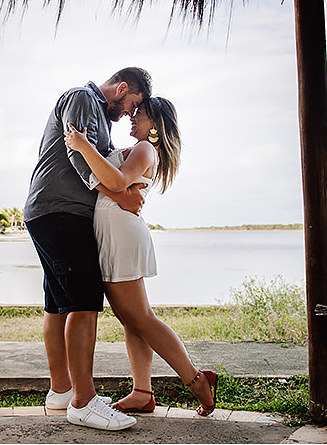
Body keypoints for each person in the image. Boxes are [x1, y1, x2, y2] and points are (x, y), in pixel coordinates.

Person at [64, 96, 218, 417]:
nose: (132, 118)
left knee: (141, 319)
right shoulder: (141, 149)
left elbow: (118, 180)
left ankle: (197, 381)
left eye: (140, 115)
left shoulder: (146, 149)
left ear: (156, 127)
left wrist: (81, 145)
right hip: (116, 230)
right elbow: (115, 185)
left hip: (121, 233)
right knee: (132, 320)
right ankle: (142, 392)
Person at [23, 67, 152, 431]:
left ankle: (62, 392)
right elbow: (81, 157)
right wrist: (120, 196)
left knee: (58, 304)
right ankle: (83, 402)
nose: (129, 113)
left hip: (52, 211)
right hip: (61, 211)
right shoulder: (82, 98)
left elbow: (101, 158)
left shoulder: (97, 113)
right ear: (122, 88)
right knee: (83, 302)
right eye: (132, 105)